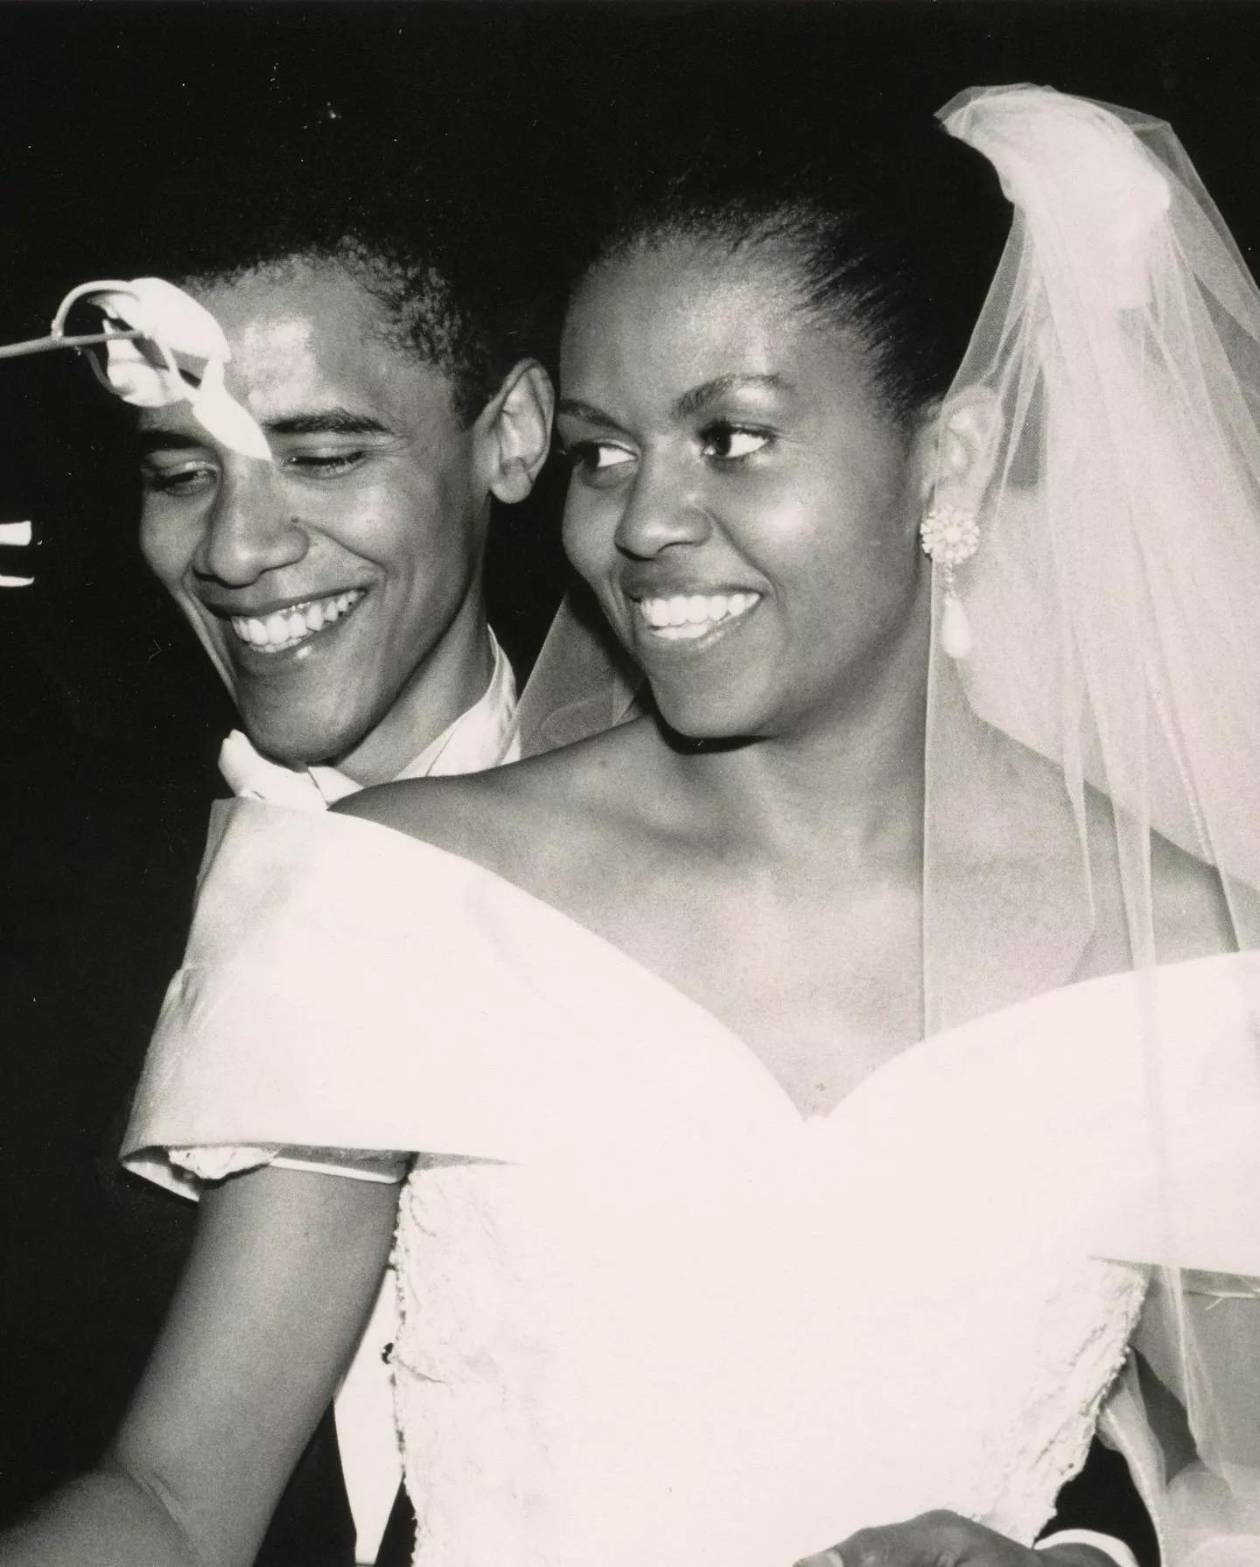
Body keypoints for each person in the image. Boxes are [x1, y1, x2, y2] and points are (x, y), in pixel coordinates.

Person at [7, 83, 1260, 1567]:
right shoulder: (402, 888)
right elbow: (171, 1503)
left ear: (956, 456)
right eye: (604, 453)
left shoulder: (1197, 972)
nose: (640, 523)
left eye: (730, 438)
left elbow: (1231, 1481)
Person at [0, 159, 557, 1564]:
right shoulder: (55, 894)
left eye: (322, 456)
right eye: (181, 473)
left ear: (511, 435)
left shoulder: (715, 845)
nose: (238, 550)